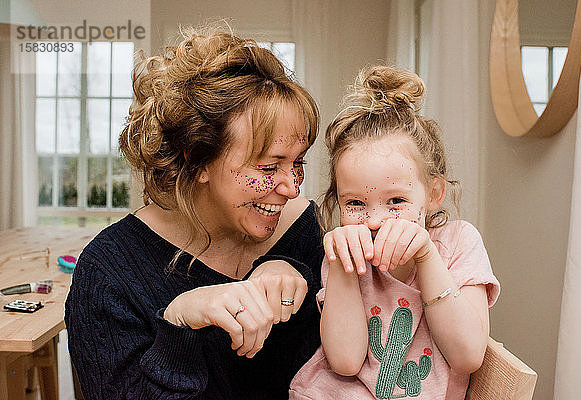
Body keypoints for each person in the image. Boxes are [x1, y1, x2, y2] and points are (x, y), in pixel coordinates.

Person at [65, 25, 324, 399]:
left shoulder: (302, 230)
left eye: (296, 162)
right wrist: (179, 323)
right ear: (198, 159)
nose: (291, 187)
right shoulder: (107, 275)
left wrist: (294, 268)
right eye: (268, 168)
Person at [289, 66, 500, 399]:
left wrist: (427, 256)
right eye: (355, 202)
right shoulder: (343, 251)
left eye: (396, 200)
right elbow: (345, 362)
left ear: (433, 193)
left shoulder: (458, 243)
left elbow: (468, 356)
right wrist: (344, 268)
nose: (373, 220)